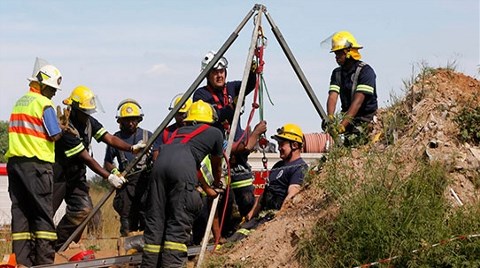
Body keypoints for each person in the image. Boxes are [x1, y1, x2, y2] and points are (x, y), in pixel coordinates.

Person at [53, 85, 146, 251]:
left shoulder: (89, 122)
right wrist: (109, 176)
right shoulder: (66, 127)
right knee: (46, 214)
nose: (87, 115)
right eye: (84, 111)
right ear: (74, 108)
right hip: (59, 176)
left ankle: (59, 246)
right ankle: (41, 250)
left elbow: (108, 138)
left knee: (84, 210)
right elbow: (87, 158)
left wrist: (131, 148)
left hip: (77, 176)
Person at [141, 100, 224, 268]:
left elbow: (192, 166)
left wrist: (207, 189)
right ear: (210, 118)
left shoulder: (178, 133)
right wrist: (216, 183)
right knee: (178, 223)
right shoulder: (215, 133)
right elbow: (216, 164)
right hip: (182, 170)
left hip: (159, 169)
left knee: (156, 222)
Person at [5, 58, 64, 266]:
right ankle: (44, 262)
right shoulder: (44, 103)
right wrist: (63, 127)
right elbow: (54, 134)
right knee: (43, 215)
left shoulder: (20, 102)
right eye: (53, 89)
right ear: (43, 86)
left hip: (15, 165)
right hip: (37, 166)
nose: (55, 93)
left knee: (20, 213)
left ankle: (21, 262)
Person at [228, 123, 308, 242]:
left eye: (282, 144)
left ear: (295, 145)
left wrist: (279, 218)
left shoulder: (299, 167)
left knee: (250, 241)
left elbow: (292, 193)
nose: (279, 147)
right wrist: (251, 213)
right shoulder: (278, 165)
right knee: (236, 238)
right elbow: (264, 194)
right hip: (263, 216)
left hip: (274, 217)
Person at [104, 99, 158, 236]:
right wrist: (115, 172)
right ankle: (126, 249)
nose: (130, 123)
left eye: (133, 119)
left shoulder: (148, 136)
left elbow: (157, 158)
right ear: (120, 121)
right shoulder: (116, 138)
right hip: (126, 184)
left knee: (146, 215)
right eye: (126, 120)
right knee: (127, 218)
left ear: (139, 119)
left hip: (145, 182)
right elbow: (107, 162)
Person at [324, 31, 378, 145]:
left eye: (339, 54)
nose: (336, 57)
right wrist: (330, 117)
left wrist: (342, 126)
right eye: (335, 54)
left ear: (348, 52)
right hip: (349, 121)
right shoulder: (337, 73)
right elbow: (333, 96)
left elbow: (357, 102)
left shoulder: (365, 72)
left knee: (361, 146)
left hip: (366, 120)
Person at [193, 50, 256, 135]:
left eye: (221, 71)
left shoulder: (232, 87)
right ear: (207, 75)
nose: (219, 76)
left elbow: (249, 85)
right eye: (215, 72)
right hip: (216, 143)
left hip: (235, 139)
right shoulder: (201, 95)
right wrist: (233, 106)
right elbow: (214, 116)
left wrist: (252, 71)